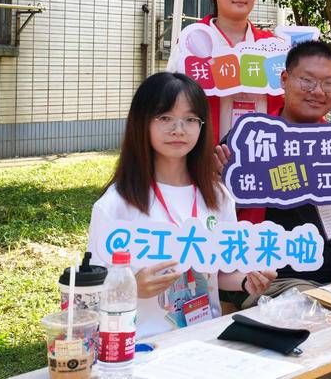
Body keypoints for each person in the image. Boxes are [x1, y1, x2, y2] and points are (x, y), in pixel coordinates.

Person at [87, 72, 275, 337]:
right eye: (165, 118)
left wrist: (247, 280)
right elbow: (90, 292)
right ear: (141, 122)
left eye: (190, 119)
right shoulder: (116, 204)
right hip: (141, 345)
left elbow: (220, 272)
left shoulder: (218, 196)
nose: (178, 129)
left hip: (204, 341)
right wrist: (133, 287)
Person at [215, 41, 331, 305]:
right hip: (279, 277)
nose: (318, 91)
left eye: (328, 83)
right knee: (317, 307)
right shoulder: (247, 142)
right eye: (307, 81)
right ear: (284, 79)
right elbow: (214, 218)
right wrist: (226, 192)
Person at [167, 0, 283, 144]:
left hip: (261, 150)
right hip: (204, 151)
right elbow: (170, 97)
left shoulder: (272, 46)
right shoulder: (192, 42)